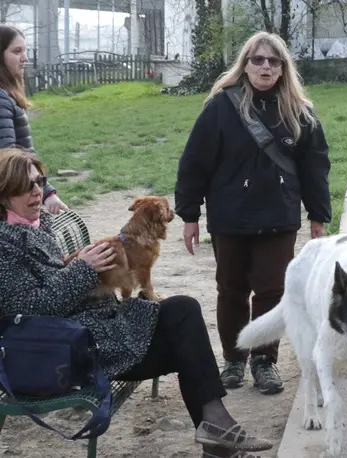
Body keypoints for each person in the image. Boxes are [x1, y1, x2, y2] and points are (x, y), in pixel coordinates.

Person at [0, 148, 273, 458]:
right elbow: (30, 310)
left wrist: (75, 266)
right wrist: (82, 269)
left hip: (94, 327)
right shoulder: (4, 243)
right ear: (4, 195)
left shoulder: (34, 226)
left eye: (40, 182)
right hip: (75, 349)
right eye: (26, 187)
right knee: (186, 343)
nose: (37, 192)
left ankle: (216, 426)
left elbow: (48, 282)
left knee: (184, 309)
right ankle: (217, 436)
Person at [174, 31, 331, 395]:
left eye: (273, 61)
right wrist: (189, 214)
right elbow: (194, 162)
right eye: (257, 60)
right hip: (230, 217)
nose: (265, 67)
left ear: (283, 68)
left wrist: (318, 216)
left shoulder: (300, 113)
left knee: (272, 291)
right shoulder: (220, 108)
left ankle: (264, 361)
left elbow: (315, 167)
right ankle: (233, 358)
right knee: (230, 289)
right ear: (244, 65)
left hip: (279, 217)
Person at [0, 25, 68, 214]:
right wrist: (42, 194)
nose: (25, 58)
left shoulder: (6, 94)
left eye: (25, 50)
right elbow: (10, 160)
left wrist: (46, 192)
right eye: (16, 51)